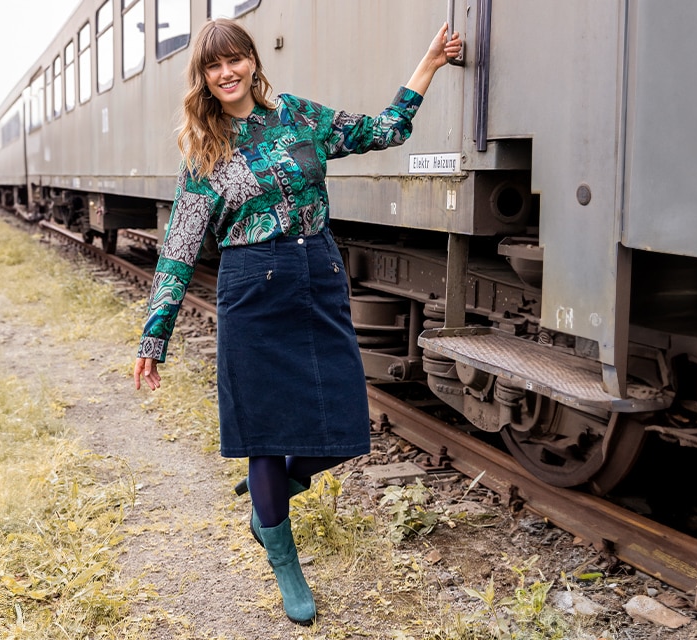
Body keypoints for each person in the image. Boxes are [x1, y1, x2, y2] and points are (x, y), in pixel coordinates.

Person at [134, 17, 463, 625]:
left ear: (253, 61)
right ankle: (284, 560)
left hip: (316, 276)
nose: (226, 73)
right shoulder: (205, 150)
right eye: (213, 67)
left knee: (342, 424)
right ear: (203, 80)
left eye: (235, 60)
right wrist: (156, 335)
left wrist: (429, 66)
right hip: (250, 291)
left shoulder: (301, 117)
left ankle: (269, 504)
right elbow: (180, 248)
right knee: (266, 433)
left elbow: (382, 130)